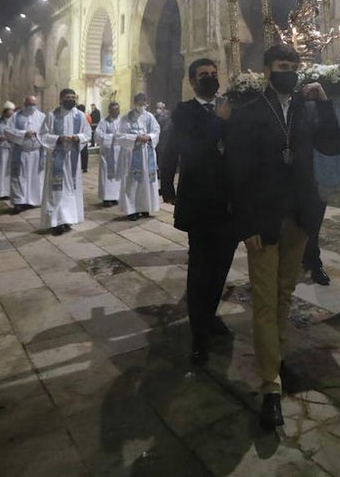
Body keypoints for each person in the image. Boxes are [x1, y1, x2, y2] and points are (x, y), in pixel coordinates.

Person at [226, 44, 340, 430]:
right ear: (266, 70)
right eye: (281, 65)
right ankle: (270, 387)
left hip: (299, 218)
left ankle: (274, 360)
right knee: (264, 301)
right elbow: (238, 173)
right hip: (264, 220)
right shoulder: (249, 111)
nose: (288, 71)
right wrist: (246, 225)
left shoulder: (307, 110)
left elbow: (333, 146)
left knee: (284, 295)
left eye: (293, 66)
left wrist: (324, 103)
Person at [159, 58, 236, 367]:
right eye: (204, 75)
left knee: (222, 265)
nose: (211, 78)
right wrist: (166, 183)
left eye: (214, 74)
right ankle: (198, 333)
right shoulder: (185, 111)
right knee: (201, 268)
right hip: (200, 202)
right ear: (192, 81)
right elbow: (189, 148)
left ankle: (210, 314)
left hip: (228, 203)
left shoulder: (227, 107)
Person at [39, 88, 92, 235]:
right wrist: (58, 139)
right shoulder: (51, 115)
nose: (71, 100)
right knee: (56, 190)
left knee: (70, 189)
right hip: (57, 157)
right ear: (61, 99)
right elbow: (42, 135)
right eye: (68, 97)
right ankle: (56, 221)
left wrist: (77, 137)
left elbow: (87, 133)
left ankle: (68, 219)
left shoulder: (80, 116)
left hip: (72, 158)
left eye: (73, 97)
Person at [117, 92, 160, 220]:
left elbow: (156, 131)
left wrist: (149, 137)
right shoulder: (126, 118)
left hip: (147, 153)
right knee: (133, 182)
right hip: (132, 155)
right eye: (140, 104)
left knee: (147, 181)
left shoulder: (150, 117)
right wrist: (136, 138)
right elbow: (119, 136)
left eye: (144, 104)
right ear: (135, 103)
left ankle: (145, 208)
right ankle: (132, 210)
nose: (142, 106)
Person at [4, 95, 46, 213]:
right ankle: (19, 202)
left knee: (34, 177)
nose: (31, 107)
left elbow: (46, 132)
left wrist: (37, 134)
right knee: (19, 177)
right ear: (24, 104)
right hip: (21, 152)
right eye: (29, 105)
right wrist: (23, 133)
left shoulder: (42, 117)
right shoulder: (16, 116)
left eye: (34, 105)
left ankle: (32, 200)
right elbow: (7, 130)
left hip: (36, 153)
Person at [94, 102, 123, 207]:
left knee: (118, 175)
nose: (116, 111)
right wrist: (111, 137)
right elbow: (98, 135)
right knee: (106, 175)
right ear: (109, 110)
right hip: (107, 153)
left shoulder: (122, 121)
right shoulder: (103, 122)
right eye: (113, 109)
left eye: (117, 109)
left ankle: (116, 196)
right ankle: (106, 198)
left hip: (119, 153)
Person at [77, 103, 91, 172]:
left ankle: (81, 166)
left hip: (80, 136)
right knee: (85, 152)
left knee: (81, 152)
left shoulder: (81, 116)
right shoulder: (88, 116)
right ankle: (84, 166)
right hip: (85, 136)